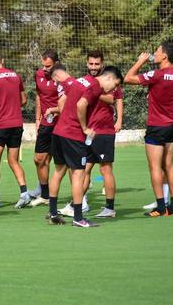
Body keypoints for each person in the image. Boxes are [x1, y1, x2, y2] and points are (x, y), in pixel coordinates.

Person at [46, 65, 123, 228]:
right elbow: (81, 105)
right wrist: (84, 128)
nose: (113, 90)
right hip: (73, 135)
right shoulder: (95, 86)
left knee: (58, 172)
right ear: (109, 78)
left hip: (58, 131)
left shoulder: (81, 80)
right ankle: (78, 218)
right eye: (115, 85)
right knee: (78, 175)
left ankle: (53, 213)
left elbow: (62, 99)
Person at [124, 41, 173, 217]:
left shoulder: (157, 75)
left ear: (165, 56)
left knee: (155, 168)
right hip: (172, 126)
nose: (154, 53)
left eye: (157, 51)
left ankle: (160, 207)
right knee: (169, 165)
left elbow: (127, 78)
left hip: (156, 126)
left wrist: (141, 61)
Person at [0, 50, 29, 209]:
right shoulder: (15, 75)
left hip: (0, 125)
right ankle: (24, 193)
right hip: (16, 124)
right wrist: (13, 107)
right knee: (13, 161)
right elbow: (23, 100)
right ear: (2, 61)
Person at [82, 51, 123, 218]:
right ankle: (77, 203)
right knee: (83, 169)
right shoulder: (86, 81)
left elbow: (115, 99)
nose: (93, 67)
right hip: (89, 131)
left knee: (105, 169)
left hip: (104, 130)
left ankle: (110, 208)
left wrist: (119, 119)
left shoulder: (109, 80)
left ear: (102, 64)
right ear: (87, 64)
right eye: (91, 64)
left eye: (96, 64)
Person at [30, 50, 59, 207]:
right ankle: (45, 195)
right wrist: (37, 118)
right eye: (43, 65)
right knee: (39, 159)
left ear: (56, 64)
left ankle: (82, 196)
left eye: (48, 66)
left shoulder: (62, 78)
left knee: (64, 162)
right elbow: (39, 96)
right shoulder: (38, 75)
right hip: (45, 124)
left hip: (60, 123)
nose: (45, 69)